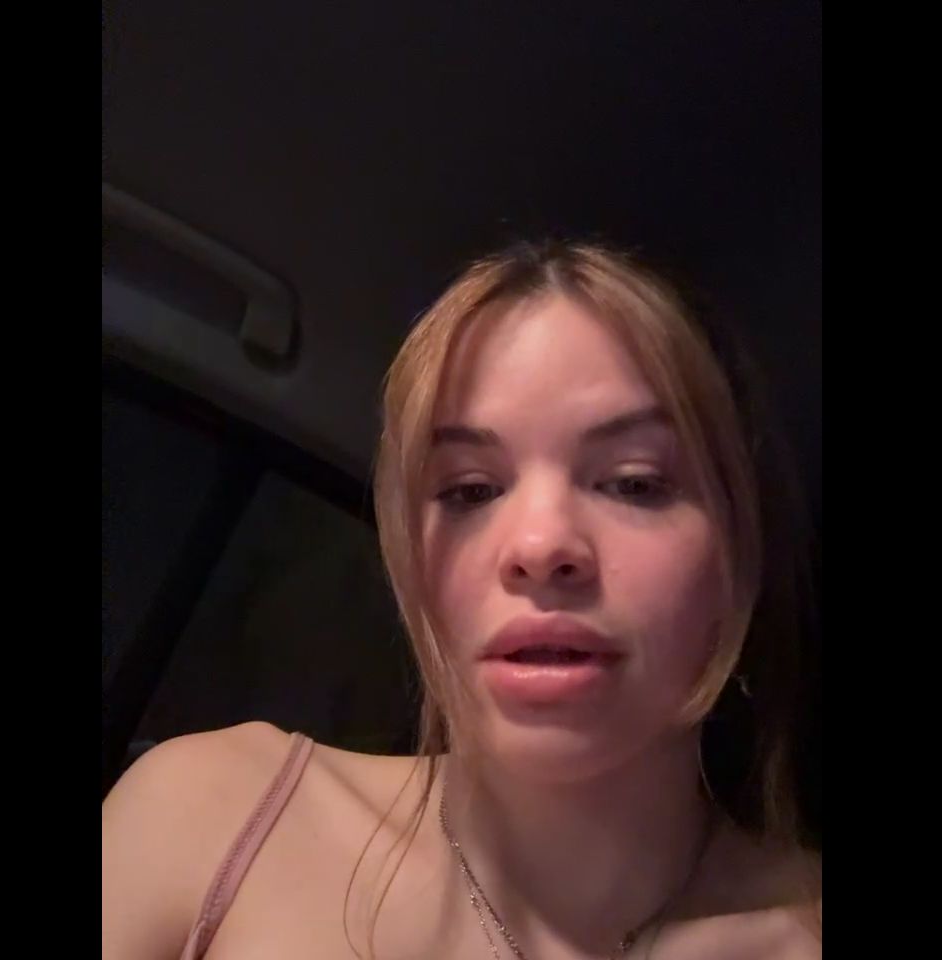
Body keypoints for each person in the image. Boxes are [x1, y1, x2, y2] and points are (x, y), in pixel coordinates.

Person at [103, 241, 822, 959]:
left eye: (634, 482)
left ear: (736, 555)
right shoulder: (210, 819)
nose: (539, 544)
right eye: (471, 490)